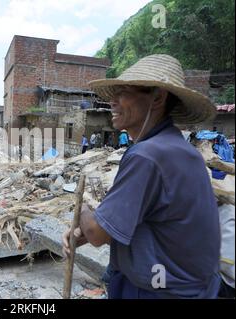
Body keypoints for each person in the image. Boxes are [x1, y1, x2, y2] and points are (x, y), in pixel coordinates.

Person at [63, 54, 220, 299]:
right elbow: (158, 225)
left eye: (123, 92)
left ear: (157, 97)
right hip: (193, 288)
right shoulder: (181, 149)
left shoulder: (147, 155)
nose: (112, 102)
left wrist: (83, 210)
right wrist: (97, 227)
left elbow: (95, 233)